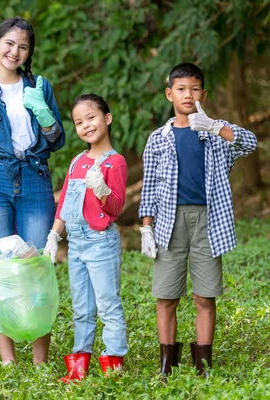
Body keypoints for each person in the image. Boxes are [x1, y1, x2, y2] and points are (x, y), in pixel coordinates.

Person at [138, 63, 257, 377]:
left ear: (203, 93)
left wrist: (216, 127)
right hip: (168, 222)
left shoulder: (215, 134)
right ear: (169, 94)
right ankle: (167, 364)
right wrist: (145, 227)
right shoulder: (158, 139)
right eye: (180, 89)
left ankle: (203, 364)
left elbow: (250, 142)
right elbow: (149, 186)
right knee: (166, 296)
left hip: (209, 221)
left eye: (194, 89)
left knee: (205, 294)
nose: (187, 95)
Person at [0, 16, 65, 365]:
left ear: (29, 51)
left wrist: (44, 114)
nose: (14, 51)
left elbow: (57, 140)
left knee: (36, 267)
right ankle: (8, 360)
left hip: (34, 177)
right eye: (9, 43)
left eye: (23, 46)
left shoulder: (41, 86)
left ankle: (40, 361)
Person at [45, 94, 128, 383]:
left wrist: (103, 190)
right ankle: (78, 367)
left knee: (108, 304)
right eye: (79, 122)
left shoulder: (114, 162)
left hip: (100, 241)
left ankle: (113, 365)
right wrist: (55, 234)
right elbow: (66, 201)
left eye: (91, 118)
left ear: (107, 118)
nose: (86, 125)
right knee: (82, 307)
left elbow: (117, 206)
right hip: (77, 242)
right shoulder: (77, 161)